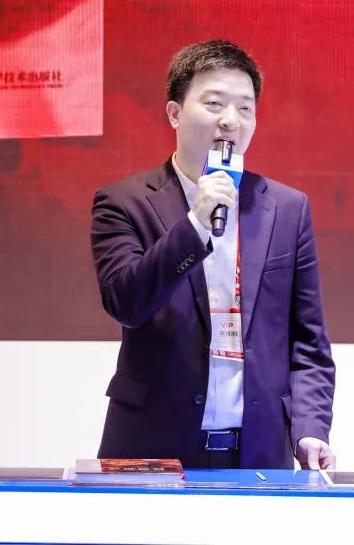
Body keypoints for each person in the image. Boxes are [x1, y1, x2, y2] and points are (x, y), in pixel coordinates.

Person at [90, 40, 336, 470]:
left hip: (259, 453)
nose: (230, 120)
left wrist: (311, 428)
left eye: (245, 108)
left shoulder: (287, 208)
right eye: (214, 104)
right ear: (175, 113)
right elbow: (126, 303)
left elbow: (308, 341)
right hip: (152, 447)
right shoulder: (123, 203)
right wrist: (195, 224)